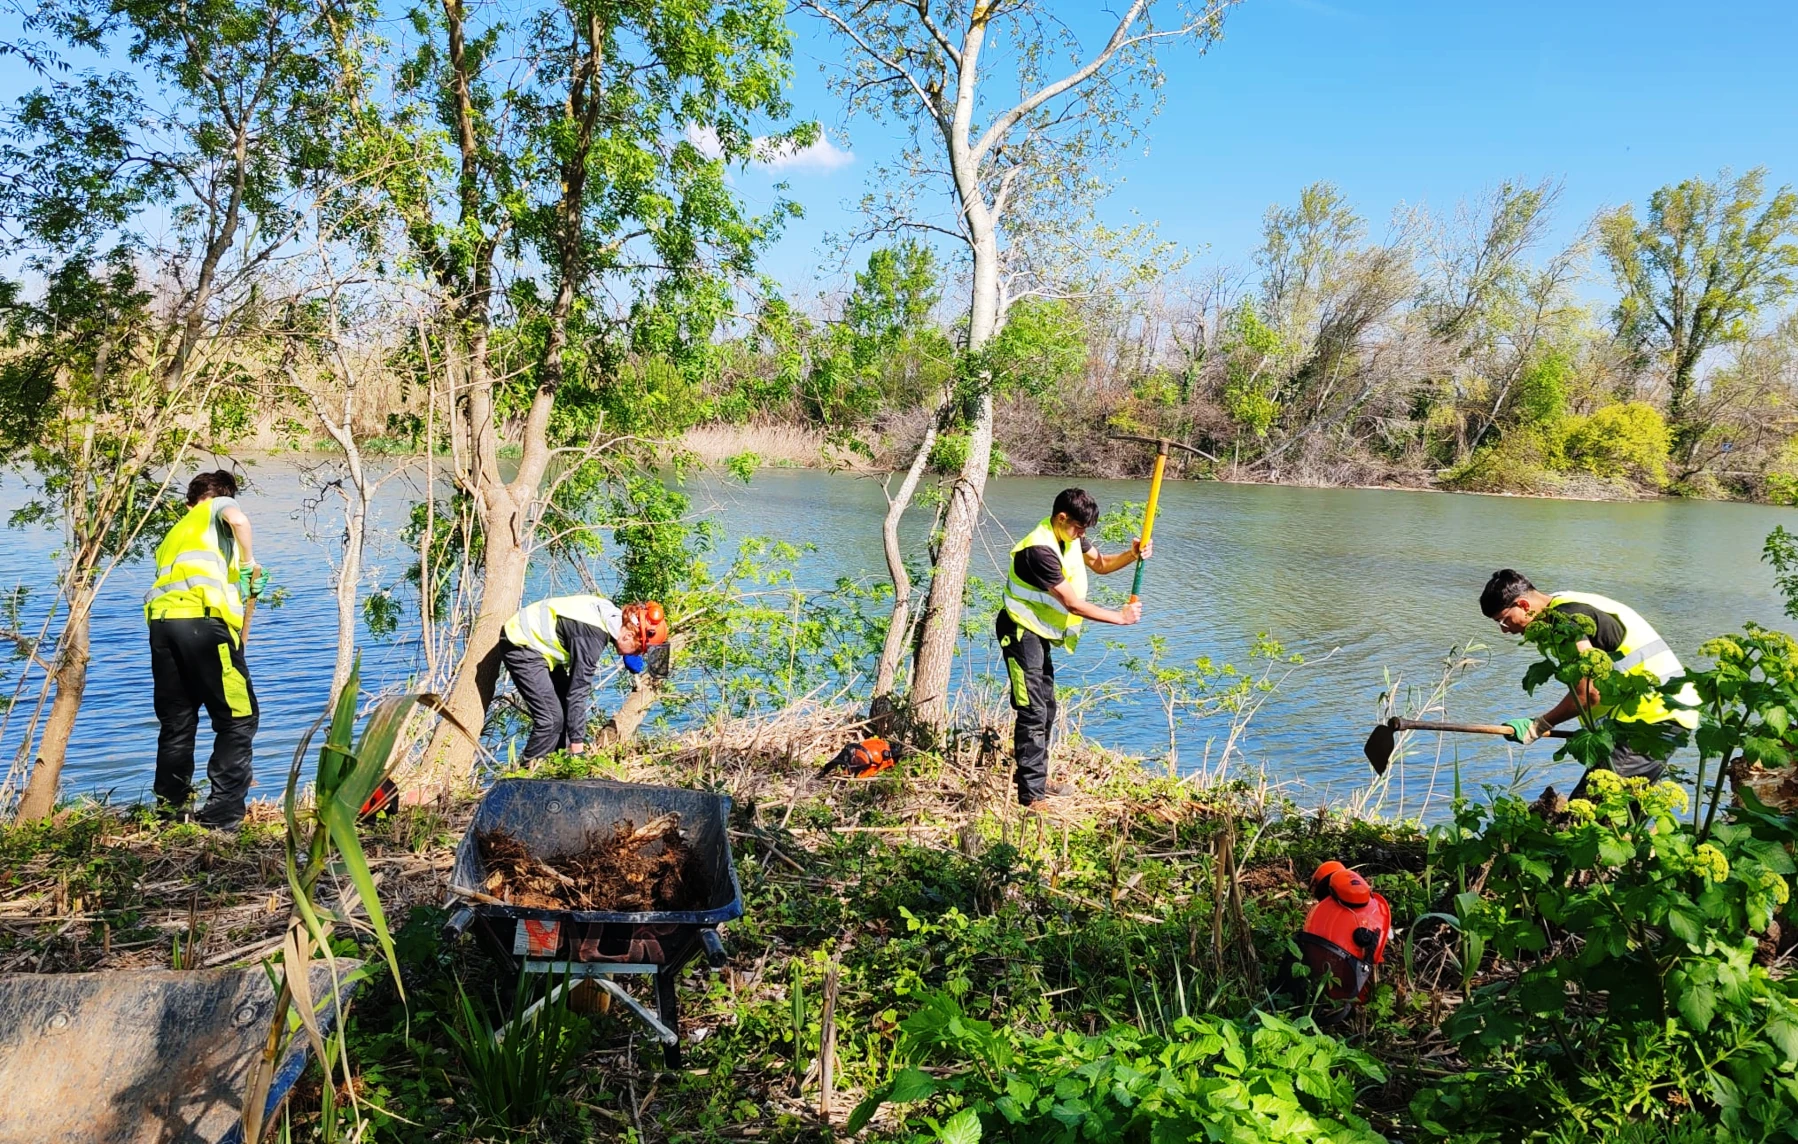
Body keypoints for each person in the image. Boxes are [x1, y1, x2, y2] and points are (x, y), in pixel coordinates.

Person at [1480, 569, 1700, 793]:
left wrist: (1538, 726)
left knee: (1587, 814)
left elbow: (1588, 693)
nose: (1505, 630)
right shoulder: (1564, 602)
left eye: (1505, 620)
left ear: (1524, 605)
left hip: (1652, 719)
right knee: (1624, 813)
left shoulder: (1564, 620)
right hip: (1655, 715)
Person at [997, 488, 1149, 807]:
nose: (1082, 535)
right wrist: (1120, 618)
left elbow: (1103, 564)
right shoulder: (1038, 551)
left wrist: (1132, 554)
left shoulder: (1070, 536)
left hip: (1037, 633)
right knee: (1033, 710)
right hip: (1019, 631)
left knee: (1047, 708)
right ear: (1062, 517)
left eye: (1085, 531)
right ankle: (1031, 796)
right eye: (1079, 528)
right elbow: (1073, 605)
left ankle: (1035, 775)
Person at [146, 470, 264, 828]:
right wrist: (248, 563)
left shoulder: (175, 533)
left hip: (162, 627)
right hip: (202, 624)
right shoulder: (217, 507)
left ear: (186, 503)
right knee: (239, 718)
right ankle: (222, 816)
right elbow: (238, 519)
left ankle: (170, 811)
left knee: (177, 722)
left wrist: (239, 582)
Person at [498, 595, 669, 761]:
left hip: (538, 647)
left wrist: (626, 649)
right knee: (550, 720)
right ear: (628, 636)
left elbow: (618, 632)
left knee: (564, 713)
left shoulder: (612, 616)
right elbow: (577, 693)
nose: (637, 654)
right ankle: (524, 780)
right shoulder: (591, 639)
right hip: (521, 644)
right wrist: (578, 749)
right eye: (638, 650)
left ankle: (557, 771)